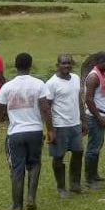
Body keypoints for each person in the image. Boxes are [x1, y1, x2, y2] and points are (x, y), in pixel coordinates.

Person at [0, 52, 53, 210]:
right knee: (35, 163)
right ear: (31, 66)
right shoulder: (39, 84)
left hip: (16, 133)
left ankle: (17, 206)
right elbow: (45, 107)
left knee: (17, 168)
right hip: (35, 131)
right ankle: (31, 198)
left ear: (15, 66)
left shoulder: (7, 87)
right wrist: (50, 129)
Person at [45, 54, 86, 199]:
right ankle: (61, 187)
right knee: (58, 156)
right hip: (59, 126)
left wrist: (84, 120)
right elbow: (46, 108)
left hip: (75, 124)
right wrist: (50, 129)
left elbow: (79, 100)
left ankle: (75, 184)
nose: (66, 66)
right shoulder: (51, 83)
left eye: (69, 63)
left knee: (78, 152)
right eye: (63, 63)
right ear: (58, 65)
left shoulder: (75, 78)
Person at [83, 54, 105, 190]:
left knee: (97, 146)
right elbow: (88, 99)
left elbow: (101, 98)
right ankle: (89, 179)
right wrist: (99, 117)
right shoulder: (94, 77)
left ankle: (94, 175)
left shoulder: (102, 74)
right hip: (94, 117)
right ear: (100, 62)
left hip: (101, 115)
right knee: (93, 148)